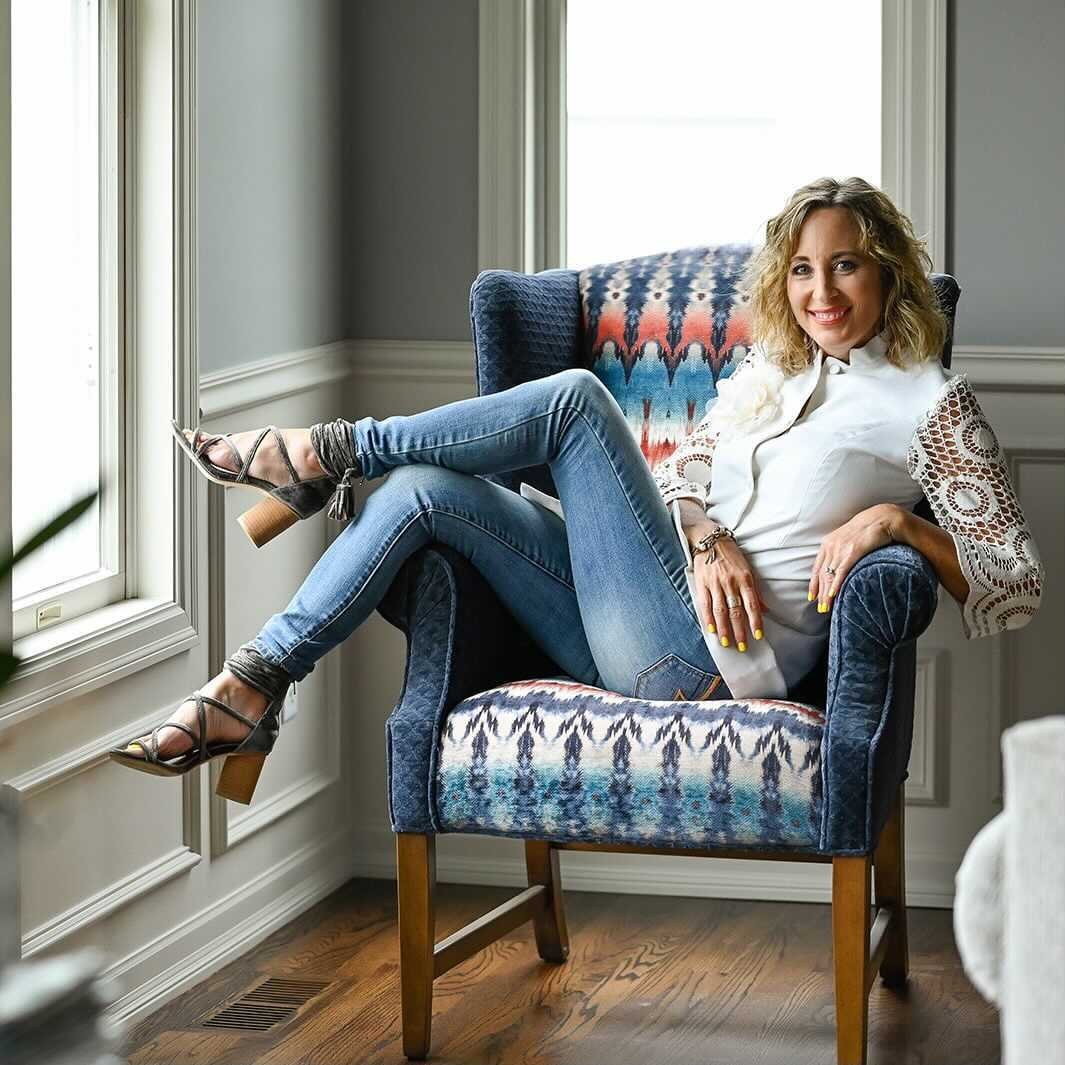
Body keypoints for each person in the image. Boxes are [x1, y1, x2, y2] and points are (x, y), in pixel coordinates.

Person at [109, 176, 1044, 805]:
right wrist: (705, 535)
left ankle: (324, 455)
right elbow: (680, 478)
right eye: (802, 268)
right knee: (423, 488)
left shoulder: (929, 402)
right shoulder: (773, 371)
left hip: (706, 663)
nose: (819, 291)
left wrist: (894, 524)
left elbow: (1015, 579)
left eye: (844, 264)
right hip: (640, 612)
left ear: (887, 271)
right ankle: (256, 683)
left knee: (576, 402)